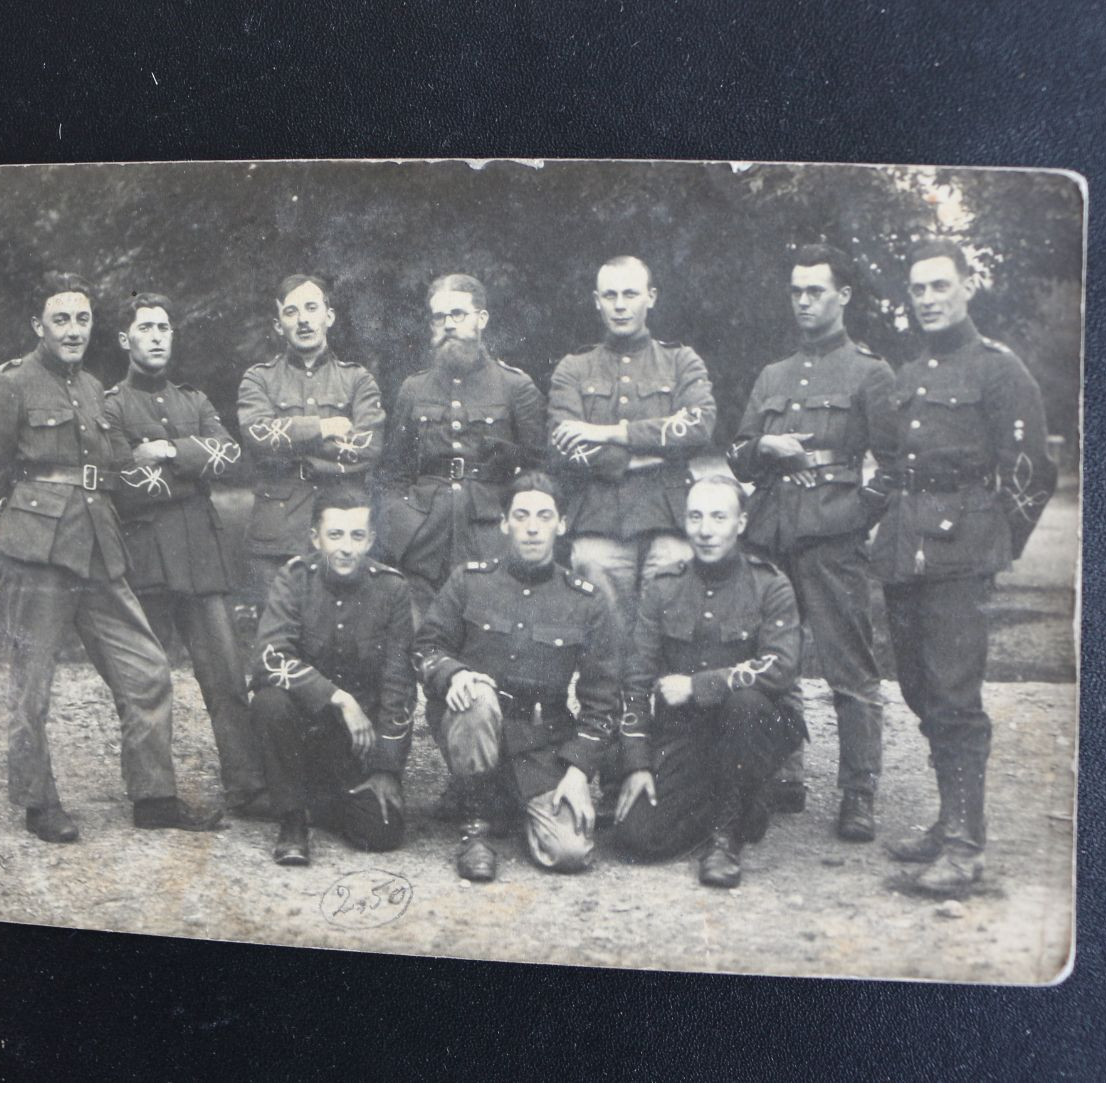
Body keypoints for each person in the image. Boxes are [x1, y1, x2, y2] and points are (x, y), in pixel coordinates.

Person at [0, 272, 221, 843]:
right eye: (61, 319)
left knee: (147, 668)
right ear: (39, 326)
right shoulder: (11, 385)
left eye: (82, 319)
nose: (74, 330)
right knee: (33, 685)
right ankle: (38, 803)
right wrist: (6, 547)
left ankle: (154, 798)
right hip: (38, 554)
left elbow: (105, 472)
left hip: (100, 547)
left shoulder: (92, 388)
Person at [869, 237, 1057, 895]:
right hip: (905, 552)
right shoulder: (909, 374)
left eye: (938, 285)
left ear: (966, 285)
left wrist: (991, 547)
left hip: (960, 556)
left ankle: (963, 845)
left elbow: (1032, 471)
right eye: (916, 289)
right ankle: (946, 817)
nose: (926, 298)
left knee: (954, 696)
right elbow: (893, 466)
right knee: (920, 690)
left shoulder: (998, 370)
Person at [727, 245, 896, 841]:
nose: (803, 301)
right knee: (774, 659)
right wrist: (763, 449)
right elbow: (739, 456)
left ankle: (858, 792)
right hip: (770, 532)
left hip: (832, 537)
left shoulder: (870, 373)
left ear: (843, 296)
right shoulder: (773, 375)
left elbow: (899, 465)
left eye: (815, 291)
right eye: (796, 291)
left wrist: (857, 515)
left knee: (849, 665)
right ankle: (785, 771)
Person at [100, 292, 266, 817]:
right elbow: (121, 479)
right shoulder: (111, 406)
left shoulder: (193, 400)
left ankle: (248, 784)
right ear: (125, 340)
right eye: (145, 327)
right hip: (146, 558)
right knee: (145, 679)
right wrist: (190, 472)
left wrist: (171, 452)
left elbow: (232, 457)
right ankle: (153, 794)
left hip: (200, 555)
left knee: (225, 676)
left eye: (164, 327)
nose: (155, 336)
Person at [415, 472, 621, 881]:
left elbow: (603, 699)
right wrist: (454, 675)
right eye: (521, 515)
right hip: (473, 723)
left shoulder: (585, 600)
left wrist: (579, 773)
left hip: (541, 745)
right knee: (475, 696)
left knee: (569, 853)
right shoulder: (470, 581)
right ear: (504, 522)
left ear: (561, 524)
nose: (532, 527)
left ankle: (499, 799)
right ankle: (475, 828)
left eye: (544, 516)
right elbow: (426, 647)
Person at [611, 476, 808, 888]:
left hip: (756, 727)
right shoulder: (664, 586)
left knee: (746, 704)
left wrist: (700, 686)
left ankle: (726, 836)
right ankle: (743, 800)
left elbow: (780, 667)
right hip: (689, 730)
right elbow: (636, 678)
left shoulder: (771, 584)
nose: (705, 529)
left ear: (741, 523)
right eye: (696, 516)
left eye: (719, 517)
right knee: (638, 836)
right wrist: (637, 763)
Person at [546, 255, 717, 628]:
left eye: (630, 294)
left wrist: (608, 433)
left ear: (651, 297)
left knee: (671, 608)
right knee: (602, 611)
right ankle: (610, 688)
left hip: (669, 514)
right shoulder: (574, 367)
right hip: (599, 515)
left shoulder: (681, 361)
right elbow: (564, 446)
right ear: (596, 301)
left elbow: (699, 427)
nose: (620, 305)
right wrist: (648, 454)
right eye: (610, 295)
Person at [252, 488, 416, 865]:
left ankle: (319, 801)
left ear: (371, 540)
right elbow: (269, 657)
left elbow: (399, 684)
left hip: (355, 744)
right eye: (335, 535)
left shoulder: (392, 589)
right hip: (303, 732)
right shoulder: (294, 579)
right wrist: (338, 697)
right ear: (315, 538)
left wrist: (387, 769)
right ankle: (292, 821)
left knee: (382, 834)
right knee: (269, 701)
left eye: (357, 536)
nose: (346, 547)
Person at [377, 273, 547, 617]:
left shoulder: (515, 387)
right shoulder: (414, 389)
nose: (448, 325)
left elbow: (538, 471)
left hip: (488, 532)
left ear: (481, 319)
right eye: (439, 317)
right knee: (420, 633)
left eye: (458, 314)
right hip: (424, 537)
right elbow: (393, 473)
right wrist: (400, 527)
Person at [238, 274, 385, 607]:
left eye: (311, 308)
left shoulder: (357, 380)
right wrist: (326, 426)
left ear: (328, 317)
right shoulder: (258, 379)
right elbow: (258, 436)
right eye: (291, 312)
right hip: (277, 531)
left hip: (342, 522)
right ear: (278, 325)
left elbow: (369, 446)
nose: (303, 320)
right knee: (277, 632)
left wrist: (300, 452)